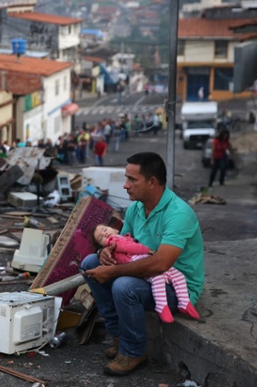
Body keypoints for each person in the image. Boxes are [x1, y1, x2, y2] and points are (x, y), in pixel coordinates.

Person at [81, 152, 204, 377]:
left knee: (123, 285)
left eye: (132, 180)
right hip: (147, 275)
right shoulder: (137, 207)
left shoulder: (178, 214)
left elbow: (160, 264)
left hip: (177, 286)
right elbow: (124, 242)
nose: (126, 185)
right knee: (90, 262)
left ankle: (134, 350)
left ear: (152, 183)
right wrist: (106, 251)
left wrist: (113, 271)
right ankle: (119, 335)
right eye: (126, 179)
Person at [91, 224, 199, 323]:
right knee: (157, 277)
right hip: (136, 261)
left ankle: (184, 302)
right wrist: (147, 250)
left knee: (178, 275)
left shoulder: (122, 236)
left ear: (115, 228)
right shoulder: (114, 240)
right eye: (101, 237)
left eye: (105, 229)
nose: (105, 234)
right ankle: (161, 306)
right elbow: (129, 247)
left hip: (148, 261)